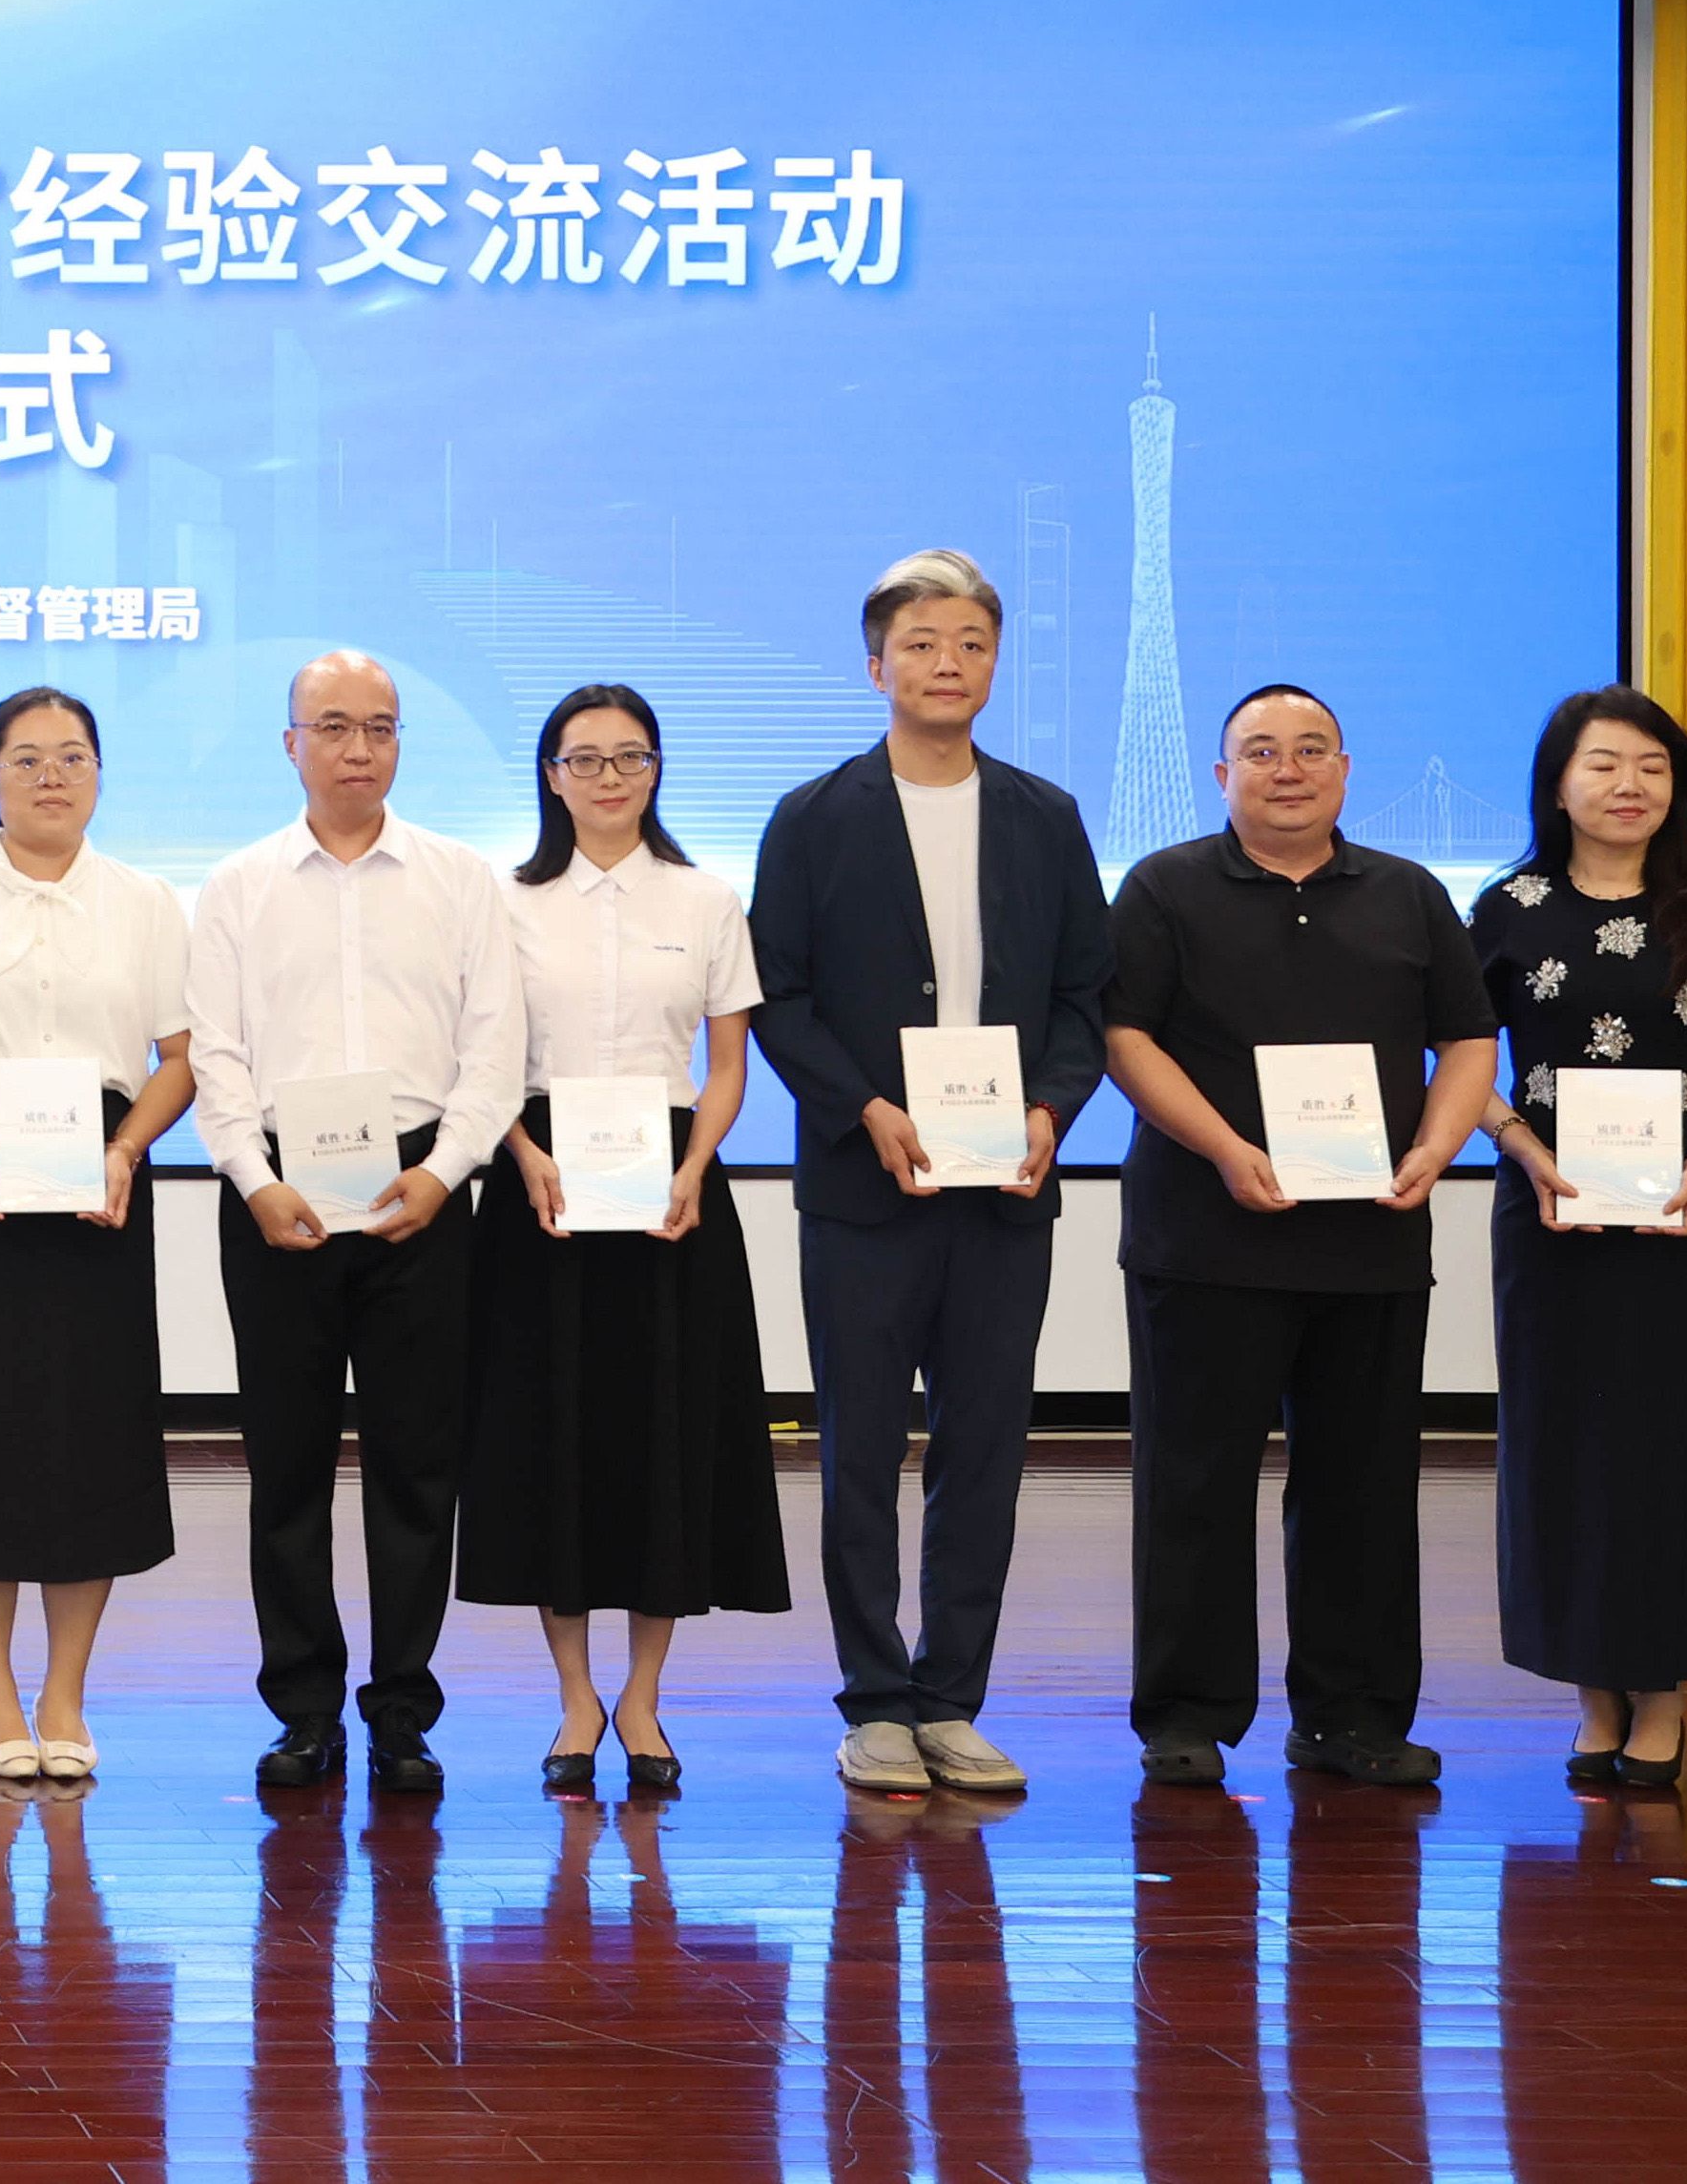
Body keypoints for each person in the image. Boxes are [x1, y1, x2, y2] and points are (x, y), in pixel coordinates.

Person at [743, 548, 1114, 1799]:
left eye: (969, 643)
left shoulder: (1046, 816)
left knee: (984, 1447)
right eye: (920, 643)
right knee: (859, 1448)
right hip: (866, 1186)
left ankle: (953, 1698)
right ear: (876, 666)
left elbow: (1084, 995)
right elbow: (780, 996)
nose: (946, 663)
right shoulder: (814, 816)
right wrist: (866, 1110)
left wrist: (1053, 1108)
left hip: (1006, 1189)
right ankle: (874, 1700)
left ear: (995, 664)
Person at [1099, 683, 1501, 1792]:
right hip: (1203, 1236)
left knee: (1362, 1488)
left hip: (1371, 1242)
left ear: (1346, 769)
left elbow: (1469, 1037)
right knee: (1193, 1484)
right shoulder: (1164, 886)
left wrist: (1436, 1145)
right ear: (1221, 776)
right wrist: (1227, 1148)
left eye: (1312, 749)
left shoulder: (1409, 893)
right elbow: (1124, 1037)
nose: (1289, 769)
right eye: (1262, 751)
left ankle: (1352, 1716)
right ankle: (1186, 1715)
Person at [186, 650, 525, 1793]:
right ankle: (303, 1709)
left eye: (379, 727)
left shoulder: (459, 878)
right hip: (278, 1189)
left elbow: (496, 1050)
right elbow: (217, 1054)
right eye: (332, 726)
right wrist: (252, 1176)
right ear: (292, 744)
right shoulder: (238, 884)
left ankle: (403, 1712)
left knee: (417, 1466)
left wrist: (447, 1173)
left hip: (420, 1187)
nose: (357, 748)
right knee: (286, 1465)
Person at [1468, 688, 1687, 1791]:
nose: (1629, 786)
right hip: (1551, 1216)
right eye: (1604, 764)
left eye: (1652, 767)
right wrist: (1516, 1139)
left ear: (1678, 786)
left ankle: (1661, 1694)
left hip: (1684, 1217)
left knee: (1676, 1450)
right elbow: (1454, 1056)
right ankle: (1591, 1694)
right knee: (1563, 1448)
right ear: (1558, 783)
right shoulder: (1507, 906)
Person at [466, 685, 789, 1795]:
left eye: (630, 756)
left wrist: (695, 1167)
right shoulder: (502, 902)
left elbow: (728, 1064)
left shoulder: (706, 899)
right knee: (550, 1435)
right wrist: (520, 1150)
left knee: (664, 1437)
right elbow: (477, 1059)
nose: (609, 777)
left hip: (669, 1190)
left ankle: (644, 1696)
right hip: (542, 1184)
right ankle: (573, 1697)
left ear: (656, 769)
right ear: (550, 775)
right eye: (585, 758)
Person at [0, 688, 194, 1783]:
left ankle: (64, 1690)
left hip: (103, 1175)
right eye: (26, 758)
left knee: (90, 1433)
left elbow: (180, 1057)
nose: (51, 776)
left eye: (71, 757)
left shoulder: (147, 900)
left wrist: (128, 1148)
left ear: (100, 773)